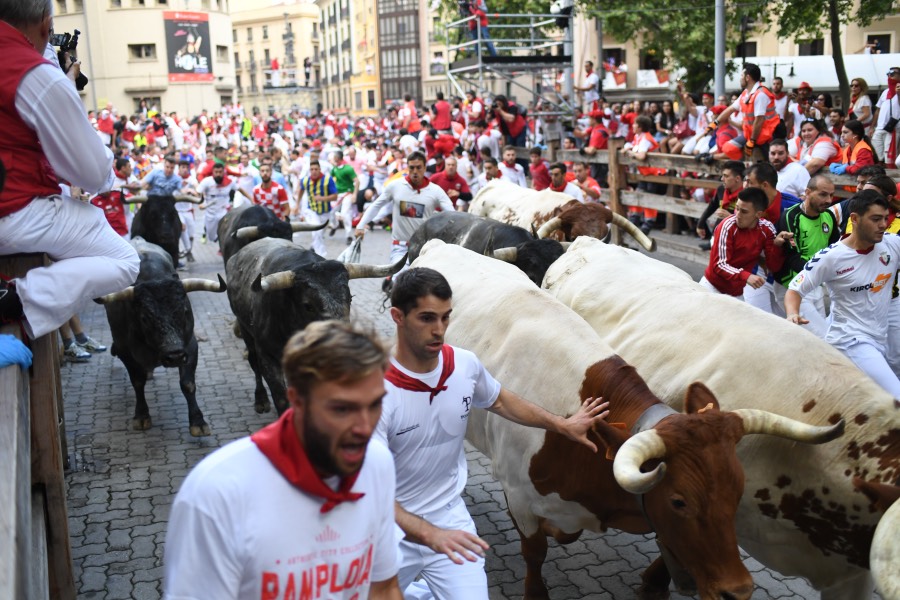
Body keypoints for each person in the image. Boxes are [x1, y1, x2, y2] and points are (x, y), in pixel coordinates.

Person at [376, 268, 609, 599]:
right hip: (387, 531)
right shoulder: (370, 392)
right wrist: (427, 534)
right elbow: (366, 490)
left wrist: (562, 425)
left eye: (445, 318)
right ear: (397, 316)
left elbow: (499, 400)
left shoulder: (464, 364)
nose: (439, 331)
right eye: (427, 318)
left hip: (449, 523)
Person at [165, 320, 403, 599]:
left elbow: (383, 588)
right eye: (342, 409)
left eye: (375, 404)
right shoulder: (217, 492)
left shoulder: (376, 463)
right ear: (297, 400)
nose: (365, 428)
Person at [0, 4, 139, 336]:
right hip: (12, 212)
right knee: (125, 260)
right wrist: (65, 88)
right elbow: (92, 175)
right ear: (47, 24)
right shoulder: (35, 73)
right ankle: (15, 298)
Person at [786, 190, 900, 397]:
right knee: (896, 396)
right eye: (876, 219)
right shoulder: (831, 257)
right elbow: (795, 289)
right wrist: (792, 313)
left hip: (879, 338)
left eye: (885, 218)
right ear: (854, 219)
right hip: (850, 341)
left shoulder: (892, 244)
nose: (883, 224)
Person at [356, 152, 455, 271]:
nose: (415, 171)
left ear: (424, 168)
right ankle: (392, 279)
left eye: (419, 167)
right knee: (400, 280)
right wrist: (360, 225)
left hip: (425, 249)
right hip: (400, 247)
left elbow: (452, 214)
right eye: (411, 167)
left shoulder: (435, 191)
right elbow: (376, 205)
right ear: (407, 167)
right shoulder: (395, 186)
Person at [773, 175, 840, 338]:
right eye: (823, 194)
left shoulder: (829, 216)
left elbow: (835, 249)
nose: (828, 200)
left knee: (809, 339)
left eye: (831, 195)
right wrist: (819, 274)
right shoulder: (791, 216)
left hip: (815, 284)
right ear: (808, 192)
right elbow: (792, 256)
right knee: (824, 338)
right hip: (793, 286)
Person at [700, 187, 792, 300]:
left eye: (744, 211)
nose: (737, 214)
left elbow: (773, 266)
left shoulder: (767, 229)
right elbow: (719, 265)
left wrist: (777, 245)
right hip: (711, 287)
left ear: (758, 214)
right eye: (737, 208)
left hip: (737, 293)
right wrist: (746, 276)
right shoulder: (727, 225)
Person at [704, 63, 778, 162]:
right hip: (750, 134)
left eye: (742, 76)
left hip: (766, 136)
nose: (740, 79)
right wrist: (714, 123)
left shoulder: (760, 94)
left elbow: (759, 121)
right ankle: (742, 161)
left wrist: (752, 141)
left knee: (765, 164)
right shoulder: (745, 94)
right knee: (728, 148)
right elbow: (730, 109)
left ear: (747, 77)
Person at [696, 160, 745, 248]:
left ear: (737, 178)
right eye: (722, 175)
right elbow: (711, 206)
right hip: (718, 235)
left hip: (737, 239)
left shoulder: (747, 195)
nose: (722, 179)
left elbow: (751, 223)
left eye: (726, 176)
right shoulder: (721, 189)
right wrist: (700, 223)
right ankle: (713, 241)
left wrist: (730, 217)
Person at [295, 160, 338, 257]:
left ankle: (313, 247)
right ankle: (321, 256)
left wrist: (322, 198)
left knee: (319, 234)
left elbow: (335, 196)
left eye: (316, 169)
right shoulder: (305, 180)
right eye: (312, 169)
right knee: (317, 231)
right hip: (312, 211)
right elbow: (301, 191)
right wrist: (297, 204)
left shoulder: (327, 180)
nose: (314, 171)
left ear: (320, 170)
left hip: (326, 212)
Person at [195, 162, 246, 245]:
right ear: (213, 172)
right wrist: (200, 203)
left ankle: (224, 244)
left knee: (227, 232)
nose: (218, 174)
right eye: (216, 172)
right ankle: (217, 239)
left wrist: (251, 198)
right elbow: (198, 192)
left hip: (224, 212)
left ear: (223, 172)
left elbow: (240, 189)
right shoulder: (206, 181)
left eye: (220, 172)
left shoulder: (229, 182)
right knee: (211, 237)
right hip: (210, 214)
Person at [870, 67, 900, 166]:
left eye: (893, 73)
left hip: (893, 127)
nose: (889, 75)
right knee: (878, 154)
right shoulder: (885, 92)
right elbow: (877, 110)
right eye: (888, 73)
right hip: (880, 127)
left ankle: (891, 177)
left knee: (889, 155)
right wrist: (872, 126)